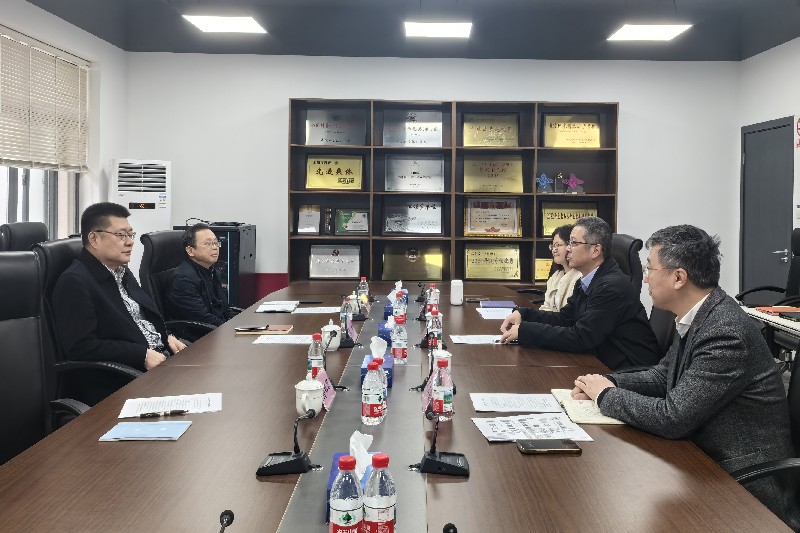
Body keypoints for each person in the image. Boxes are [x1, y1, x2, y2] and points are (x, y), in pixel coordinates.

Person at [572, 225, 799, 528]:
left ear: (678, 278)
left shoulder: (725, 332)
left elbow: (673, 417)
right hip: (702, 461)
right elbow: (663, 376)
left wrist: (606, 396)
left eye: (650, 268)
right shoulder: (699, 314)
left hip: (743, 487)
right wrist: (609, 382)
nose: (645, 278)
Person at [499, 216, 660, 370]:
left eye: (574, 243)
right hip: (601, 359)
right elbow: (565, 319)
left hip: (630, 369)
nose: (568, 249)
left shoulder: (611, 287)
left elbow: (581, 338)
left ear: (595, 250)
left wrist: (526, 331)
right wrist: (524, 315)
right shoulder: (587, 280)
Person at [52, 202, 186, 377]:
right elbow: (80, 347)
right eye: (121, 235)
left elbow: (141, 319)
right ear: (94, 239)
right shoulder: (75, 281)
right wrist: (141, 355)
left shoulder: (121, 271)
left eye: (130, 234)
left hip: (159, 357)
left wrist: (165, 336)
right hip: (124, 376)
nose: (130, 242)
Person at [168, 223, 239, 327]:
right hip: (203, 334)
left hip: (219, 328)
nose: (215, 247)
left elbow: (222, 309)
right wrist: (232, 329)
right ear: (190, 251)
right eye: (208, 244)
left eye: (216, 243)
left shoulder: (212, 271)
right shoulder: (183, 280)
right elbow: (203, 319)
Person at [538, 224, 581, 312]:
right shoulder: (555, 276)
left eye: (558, 245)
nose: (554, 250)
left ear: (570, 246)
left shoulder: (580, 278)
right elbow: (546, 307)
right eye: (553, 246)